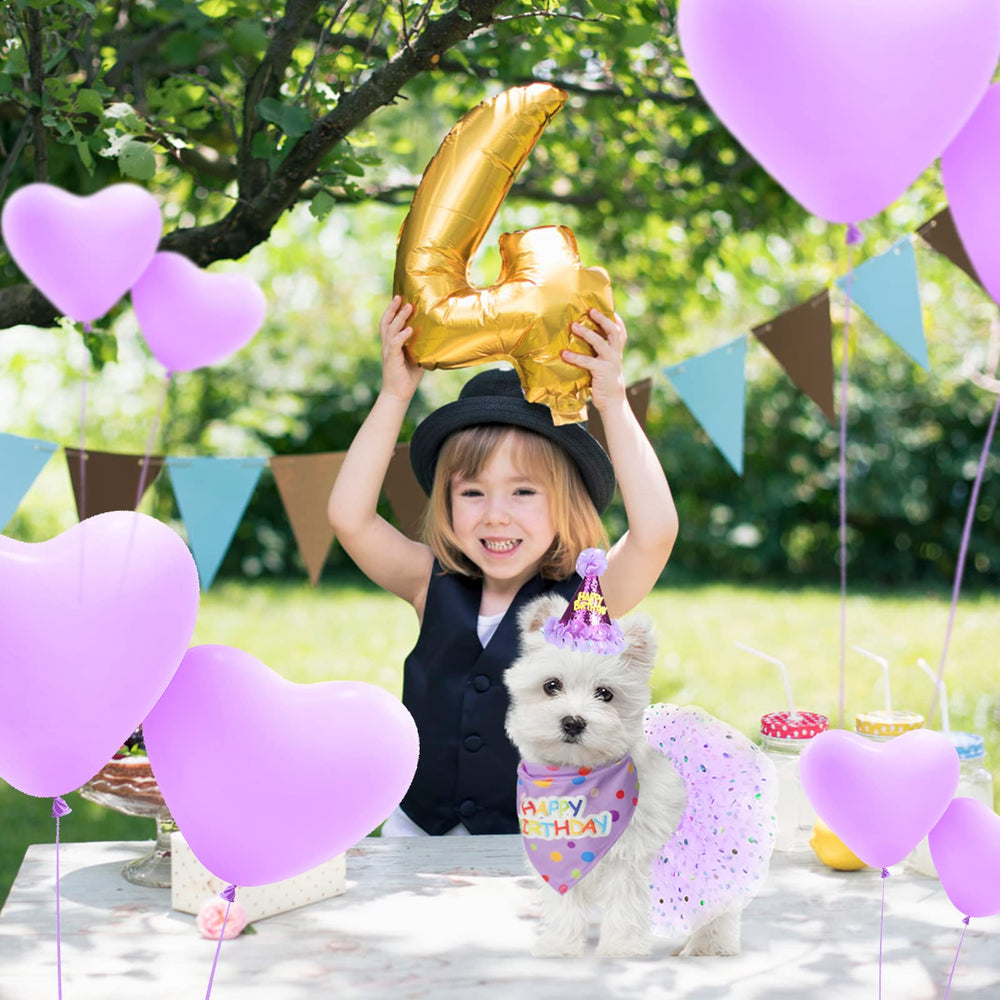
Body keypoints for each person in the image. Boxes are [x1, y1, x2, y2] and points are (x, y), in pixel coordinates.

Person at [328, 295, 678, 836]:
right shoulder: (428, 581)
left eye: (522, 491)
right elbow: (349, 518)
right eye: (472, 492)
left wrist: (612, 400)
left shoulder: (585, 600)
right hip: (420, 830)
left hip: (538, 838)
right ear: (445, 501)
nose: (495, 516)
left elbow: (656, 534)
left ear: (566, 502)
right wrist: (395, 395)